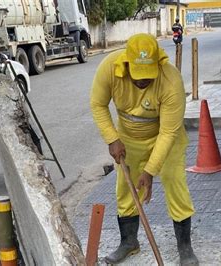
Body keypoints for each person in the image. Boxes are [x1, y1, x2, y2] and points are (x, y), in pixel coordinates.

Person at [90, 33, 198, 265]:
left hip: (166, 137)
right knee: (126, 188)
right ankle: (129, 242)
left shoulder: (171, 81)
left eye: (148, 77)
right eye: (137, 75)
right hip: (128, 138)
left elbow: (168, 133)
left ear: (158, 64)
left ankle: (185, 248)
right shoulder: (110, 67)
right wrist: (112, 139)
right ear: (126, 62)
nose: (142, 82)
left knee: (174, 180)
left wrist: (150, 171)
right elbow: (98, 104)